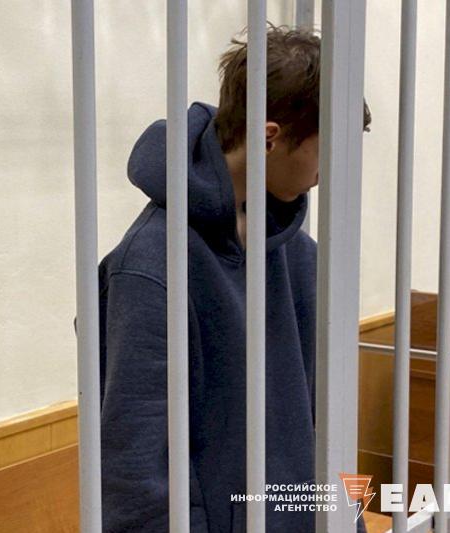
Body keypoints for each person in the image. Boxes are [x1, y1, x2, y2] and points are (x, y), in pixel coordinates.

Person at [85, 24, 372, 532]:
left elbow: (327, 425)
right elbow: (137, 475)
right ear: (269, 138)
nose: (334, 169)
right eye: (328, 148)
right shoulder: (149, 266)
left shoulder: (299, 254)